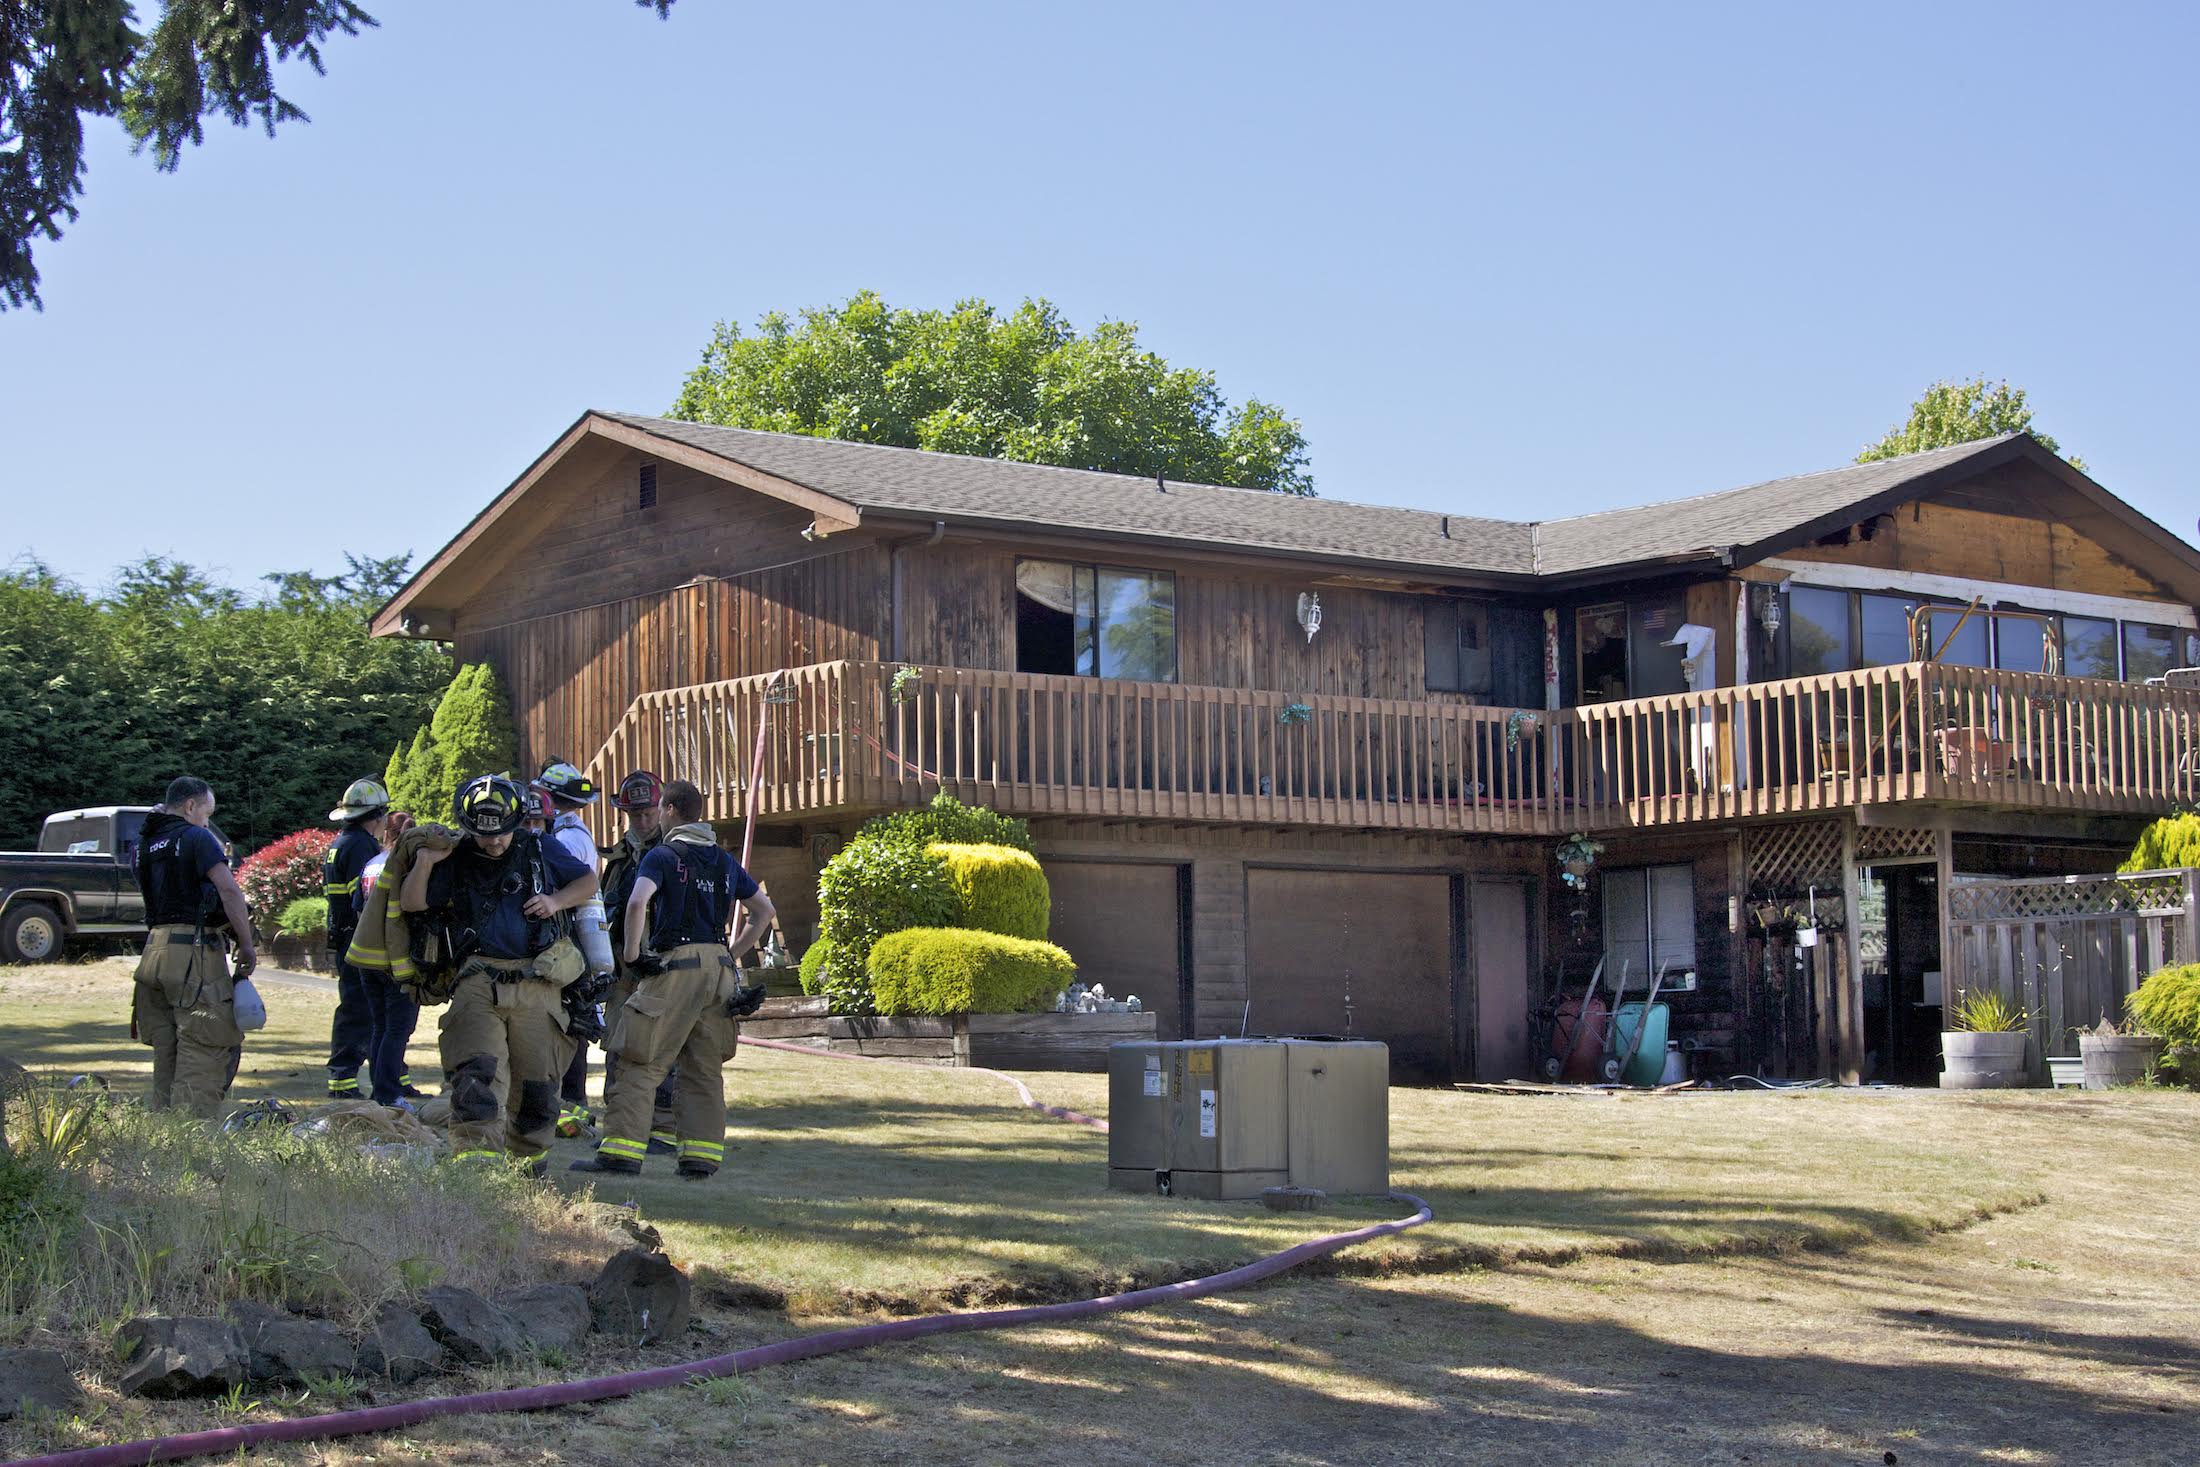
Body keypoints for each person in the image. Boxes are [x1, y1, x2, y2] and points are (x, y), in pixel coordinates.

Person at [573, 779, 773, 1179]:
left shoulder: (662, 855)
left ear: (668, 810)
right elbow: (763, 911)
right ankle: (700, 1159)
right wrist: (731, 955)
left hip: (673, 966)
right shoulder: (723, 860)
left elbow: (637, 901)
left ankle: (621, 1154)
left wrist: (632, 955)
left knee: (640, 1058)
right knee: (703, 1068)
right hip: (718, 971)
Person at [401, 775, 598, 1171]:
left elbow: (589, 881)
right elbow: (413, 902)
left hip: (537, 982)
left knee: (537, 1089)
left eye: (501, 834)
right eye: (482, 835)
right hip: (478, 981)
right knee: (477, 1078)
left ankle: (528, 1169)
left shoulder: (539, 847)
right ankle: (477, 1169)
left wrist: (555, 900)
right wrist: (425, 861)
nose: (492, 842)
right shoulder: (456, 856)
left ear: (517, 823)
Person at [132, 776, 256, 1117]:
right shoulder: (196, 837)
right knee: (205, 1043)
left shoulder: (143, 844)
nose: (207, 820)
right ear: (190, 806)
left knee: (166, 1047)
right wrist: (246, 944)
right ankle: (194, 1132)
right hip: (193, 953)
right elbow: (229, 891)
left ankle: (163, 1124)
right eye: (207, 812)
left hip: (153, 952)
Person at [586, 770, 680, 1151]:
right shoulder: (619, 858)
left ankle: (660, 1130)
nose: (642, 822)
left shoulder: (677, 854)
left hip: (661, 967)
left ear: (661, 810)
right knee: (618, 1046)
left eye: (647, 814)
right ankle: (619, 1128)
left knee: (660, 1049)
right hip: (622, 969)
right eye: (634, 815)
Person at [534, 761, 614, 1135]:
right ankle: (571, 1105)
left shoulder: (565, 839)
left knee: (571, 1023)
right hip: (577, 939)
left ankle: (572, 1105)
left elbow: (565, 887)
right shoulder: (576, 833)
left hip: (571, 941)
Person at [323, 778, 391, 1099]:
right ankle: (343, 1079)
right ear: (375, 816)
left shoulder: (340, 842)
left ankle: (345, 1077)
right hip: (357, 938)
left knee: (354, 1006)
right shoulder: (361, 845)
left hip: (343, 936)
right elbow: (365, 897)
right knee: (359, 1009)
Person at [354, 809, 425, 1105]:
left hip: (367, 955)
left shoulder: (371, 864)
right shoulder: (407, 866)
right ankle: (388, 1093)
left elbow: (359, 908)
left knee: (380, 1026)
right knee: (398, 1028)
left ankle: (380, 1089)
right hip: (396, 958)